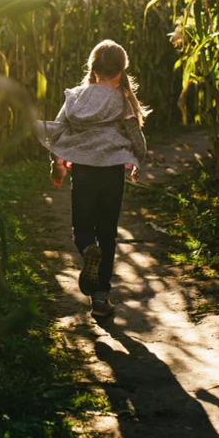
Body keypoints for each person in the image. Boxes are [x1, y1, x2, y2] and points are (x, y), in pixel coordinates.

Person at [34, 40, 149, 318]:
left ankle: (87, 251)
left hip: (83, 172)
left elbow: (59, 132)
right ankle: (100, 300)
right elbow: (136, 138)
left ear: (93, 70)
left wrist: (57, 165)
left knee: (82, 228)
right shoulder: (123, 99)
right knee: (108, 233)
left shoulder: (75, 97)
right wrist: (137, 160)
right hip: (111, 173)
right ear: (120, 72)